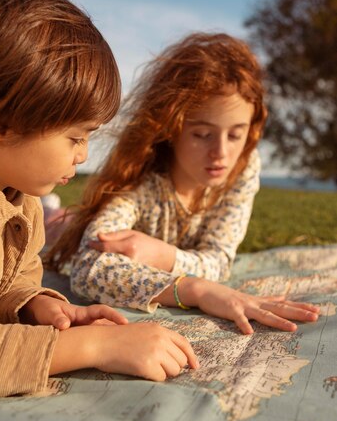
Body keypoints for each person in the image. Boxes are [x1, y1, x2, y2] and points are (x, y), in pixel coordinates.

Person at [0, 0, 198, 400]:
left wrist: (32, 307)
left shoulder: (16, 189)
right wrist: (89, 345)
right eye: (75, 136)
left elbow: (0, 285)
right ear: (1, 122)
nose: (84, 154)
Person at [47, 33, 320, 334]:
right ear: (171, 128)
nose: (221, 153)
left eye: (235, 134)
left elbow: (219, 257)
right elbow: (89, 270)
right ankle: (51, 213)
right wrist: (197, 290)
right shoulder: (142, 184)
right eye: (202, 134)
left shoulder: (243, 167)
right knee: (58, 227)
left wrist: (162, 255)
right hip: (63, 227)